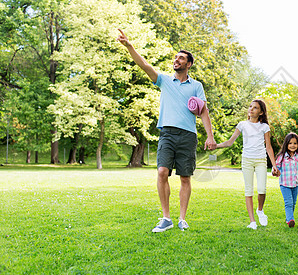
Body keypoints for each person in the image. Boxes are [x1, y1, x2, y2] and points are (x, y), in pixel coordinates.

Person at [117, 29, 217, 233]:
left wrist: (211, 136)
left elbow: (204, 112)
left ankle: (182, 218)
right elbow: (144, 65)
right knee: (162, 172)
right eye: (175, 58)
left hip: (188, 136)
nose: (176, 60)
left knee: (185, 178)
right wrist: (129, 46)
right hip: (167, 134)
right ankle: (166, 218)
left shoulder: (196, 86)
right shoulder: (164, 80)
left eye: (181, 58)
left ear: (188, 64)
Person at [216, 100, 280, 230]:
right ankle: (252, 221)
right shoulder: (242, 125)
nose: (251, 109)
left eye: (255, 108)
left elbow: (268, 147)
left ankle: (260, 210)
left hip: (261, 159)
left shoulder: (264, 127)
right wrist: (215, 146)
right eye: (250, 106)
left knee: (262, 189)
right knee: (248, 190)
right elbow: (230, 142)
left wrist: (274, 165)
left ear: (261, 112)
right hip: (247, 160)